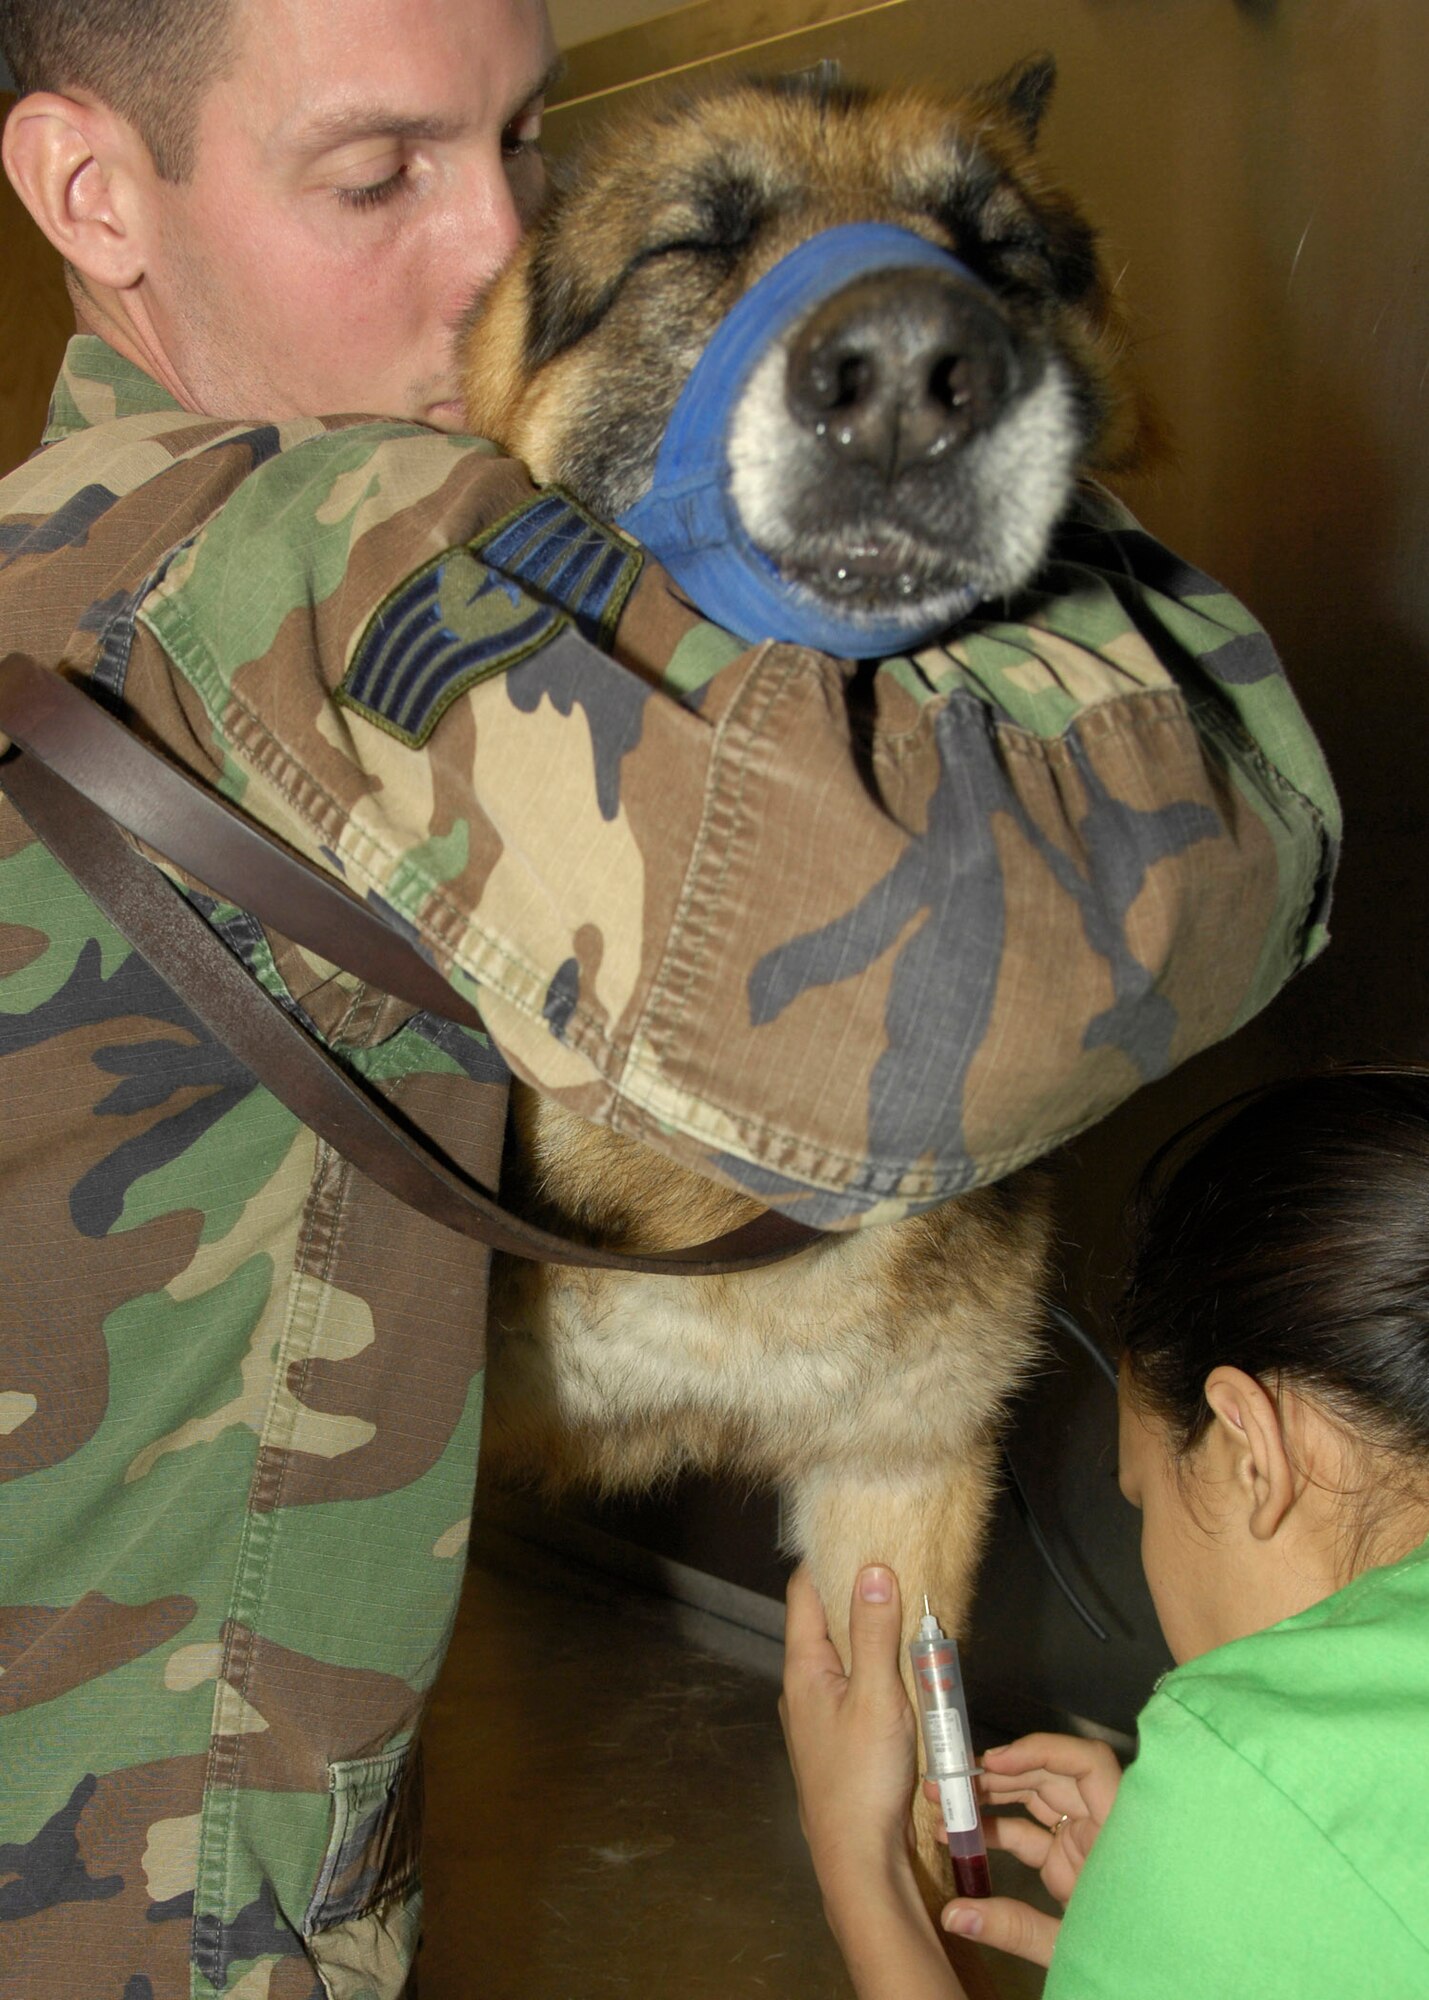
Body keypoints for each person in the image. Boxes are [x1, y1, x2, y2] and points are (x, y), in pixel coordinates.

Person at [0, 1, 1337, 1993]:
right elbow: (1189, 857)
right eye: (376, 175)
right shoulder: (285, 554)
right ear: (95, 197)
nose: (490, 255)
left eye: (524, 150)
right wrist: (1028, 448)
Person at [781, 1068, 1429, 1999]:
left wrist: (858, 1868)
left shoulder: (1252, 1776)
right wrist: (1184, 1931)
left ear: (1251, 1455)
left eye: (1143, 1501)